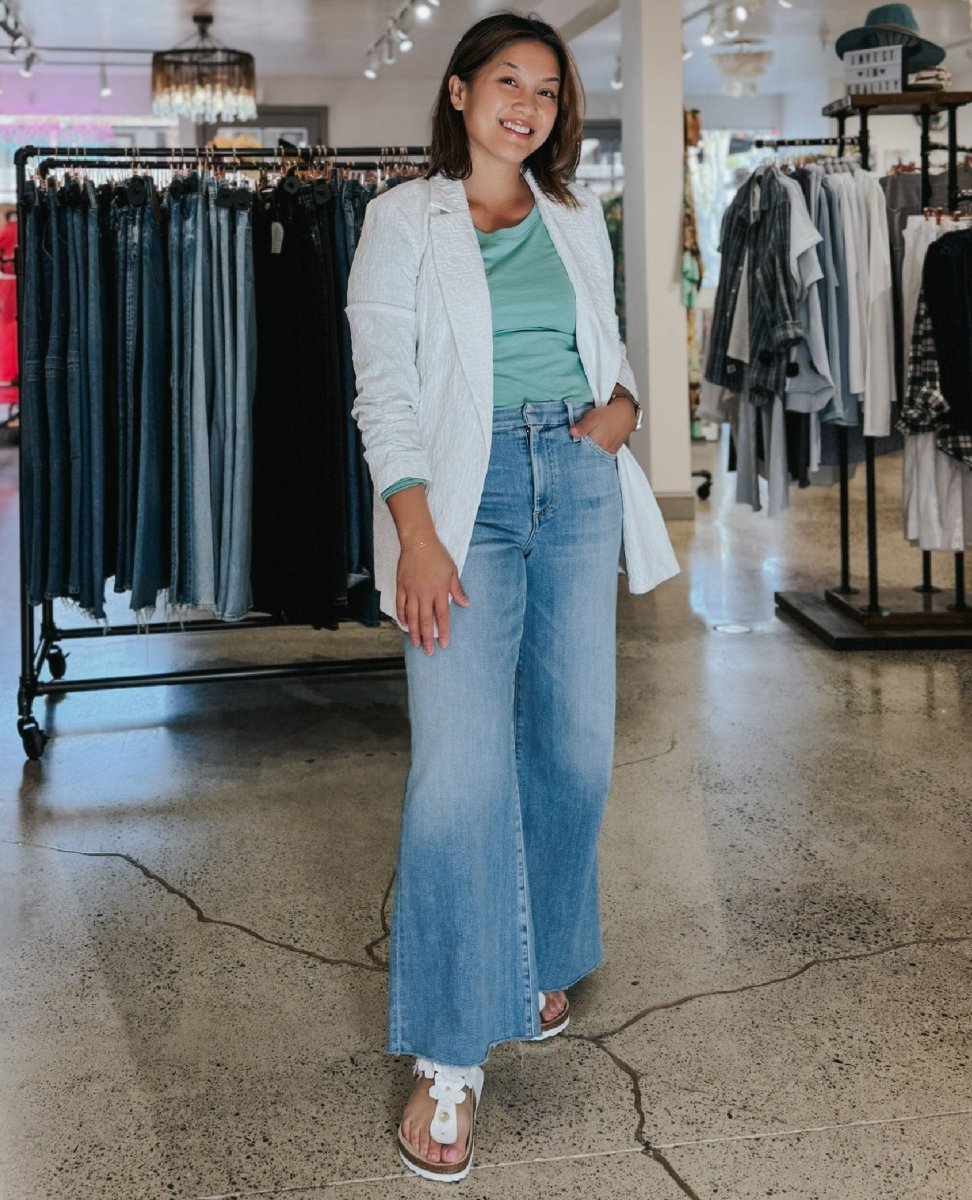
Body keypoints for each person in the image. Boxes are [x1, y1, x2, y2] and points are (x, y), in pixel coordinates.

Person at [346, 10, 678, 1183]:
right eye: (505, 81)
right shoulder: (402, 220)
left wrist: (623, 413)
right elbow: (383, 388)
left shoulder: (577, 214)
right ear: (456, 92)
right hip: (463, 498)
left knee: (577, 749)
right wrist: (418, 532)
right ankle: (448, 1062)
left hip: (577, 483)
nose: (526, 103)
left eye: (546, 87)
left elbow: (614, 348)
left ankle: (537, 956)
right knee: (460, 773)